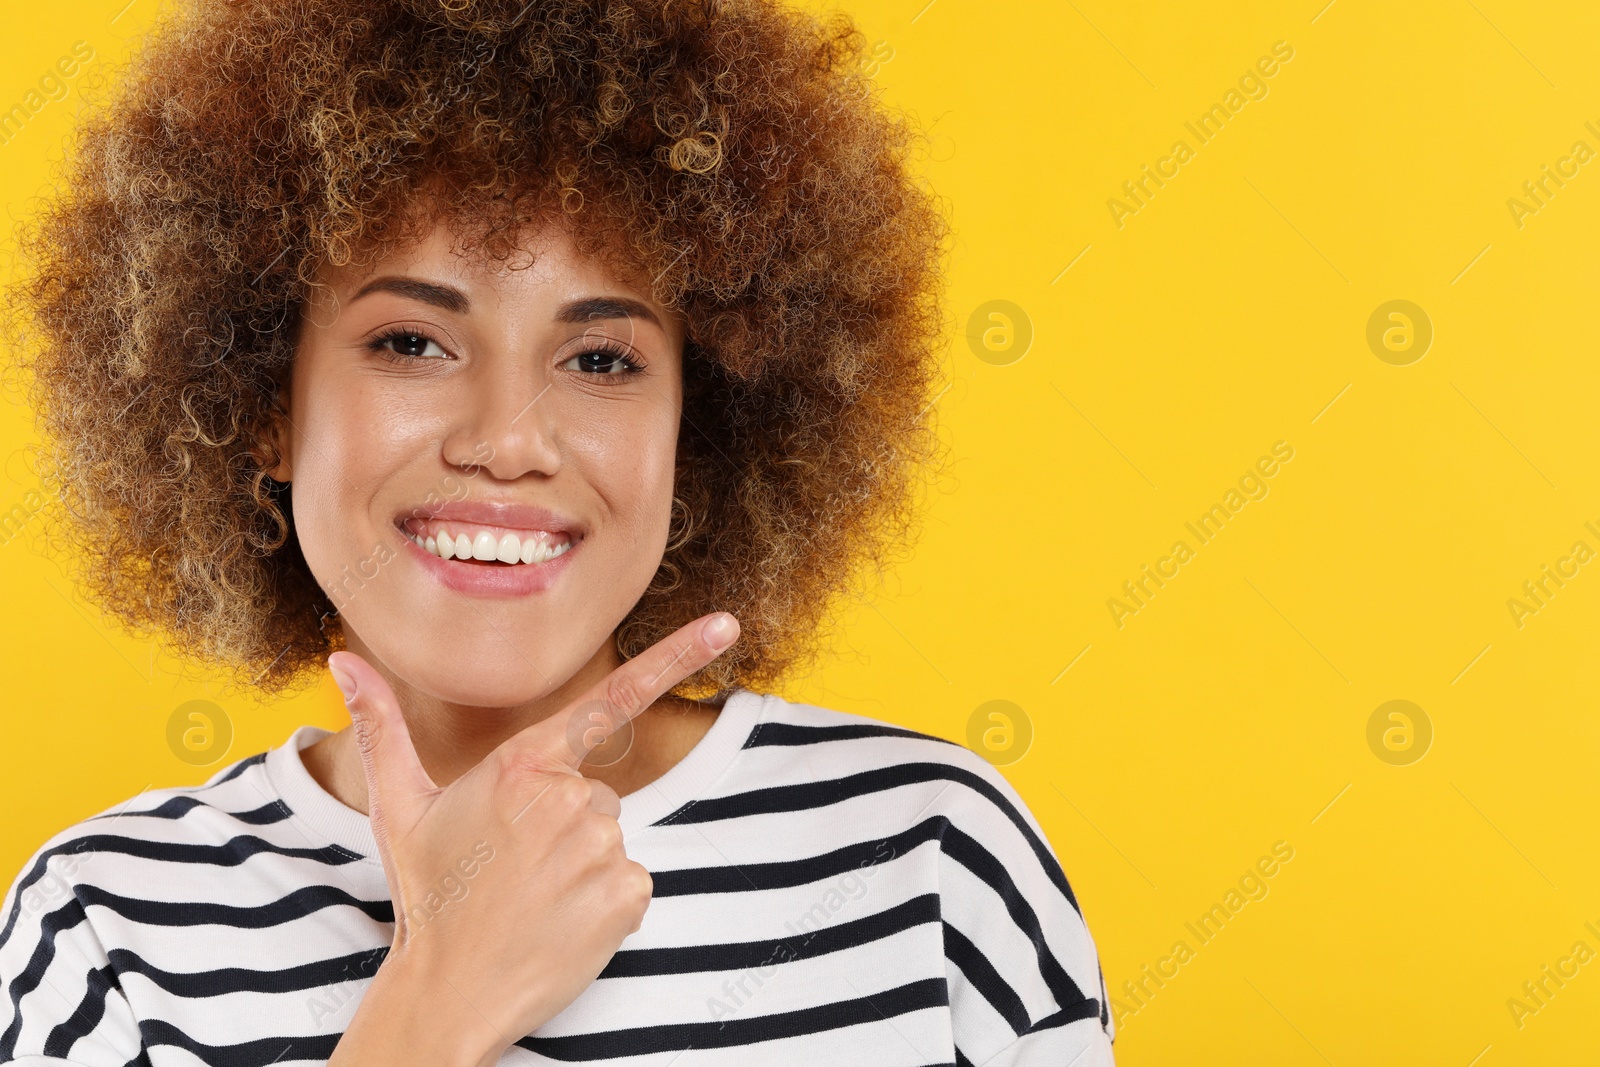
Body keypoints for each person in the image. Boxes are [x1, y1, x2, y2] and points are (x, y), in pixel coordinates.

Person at [0, 0, 1115, 1063]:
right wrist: (433, 1007)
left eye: (600, 360)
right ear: (262, 410)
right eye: (411, 342)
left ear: (700, 431)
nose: (508, 440)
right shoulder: (102, 929)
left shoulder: (925, 860)